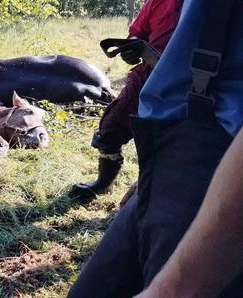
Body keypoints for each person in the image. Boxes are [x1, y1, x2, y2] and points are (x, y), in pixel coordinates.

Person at [68, 0, 243, 296]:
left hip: (223, 157)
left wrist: (174, 289)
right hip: (171, 145)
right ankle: (105, 180)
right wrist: (152, 176)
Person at [71, 0, 183, 202]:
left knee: (170, 143)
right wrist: (130, 48)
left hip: (192, 85)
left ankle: (159, 195)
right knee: (111, 127)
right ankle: (103, 184)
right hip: (148, 77)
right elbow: (137, 33)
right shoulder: (158, 2)